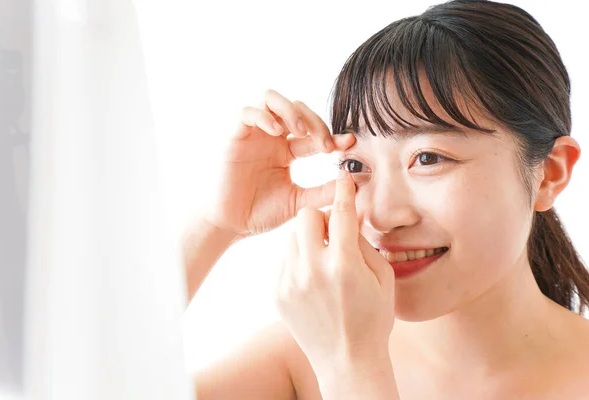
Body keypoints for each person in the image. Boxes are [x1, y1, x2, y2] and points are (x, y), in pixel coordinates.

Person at [183, 0, 589, 398]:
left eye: (427, 158)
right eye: (356, 165)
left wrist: (352, 370)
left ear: (549, 173)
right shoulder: (298, 361)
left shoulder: (333, 359)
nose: (380, 215)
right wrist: (218, 224)